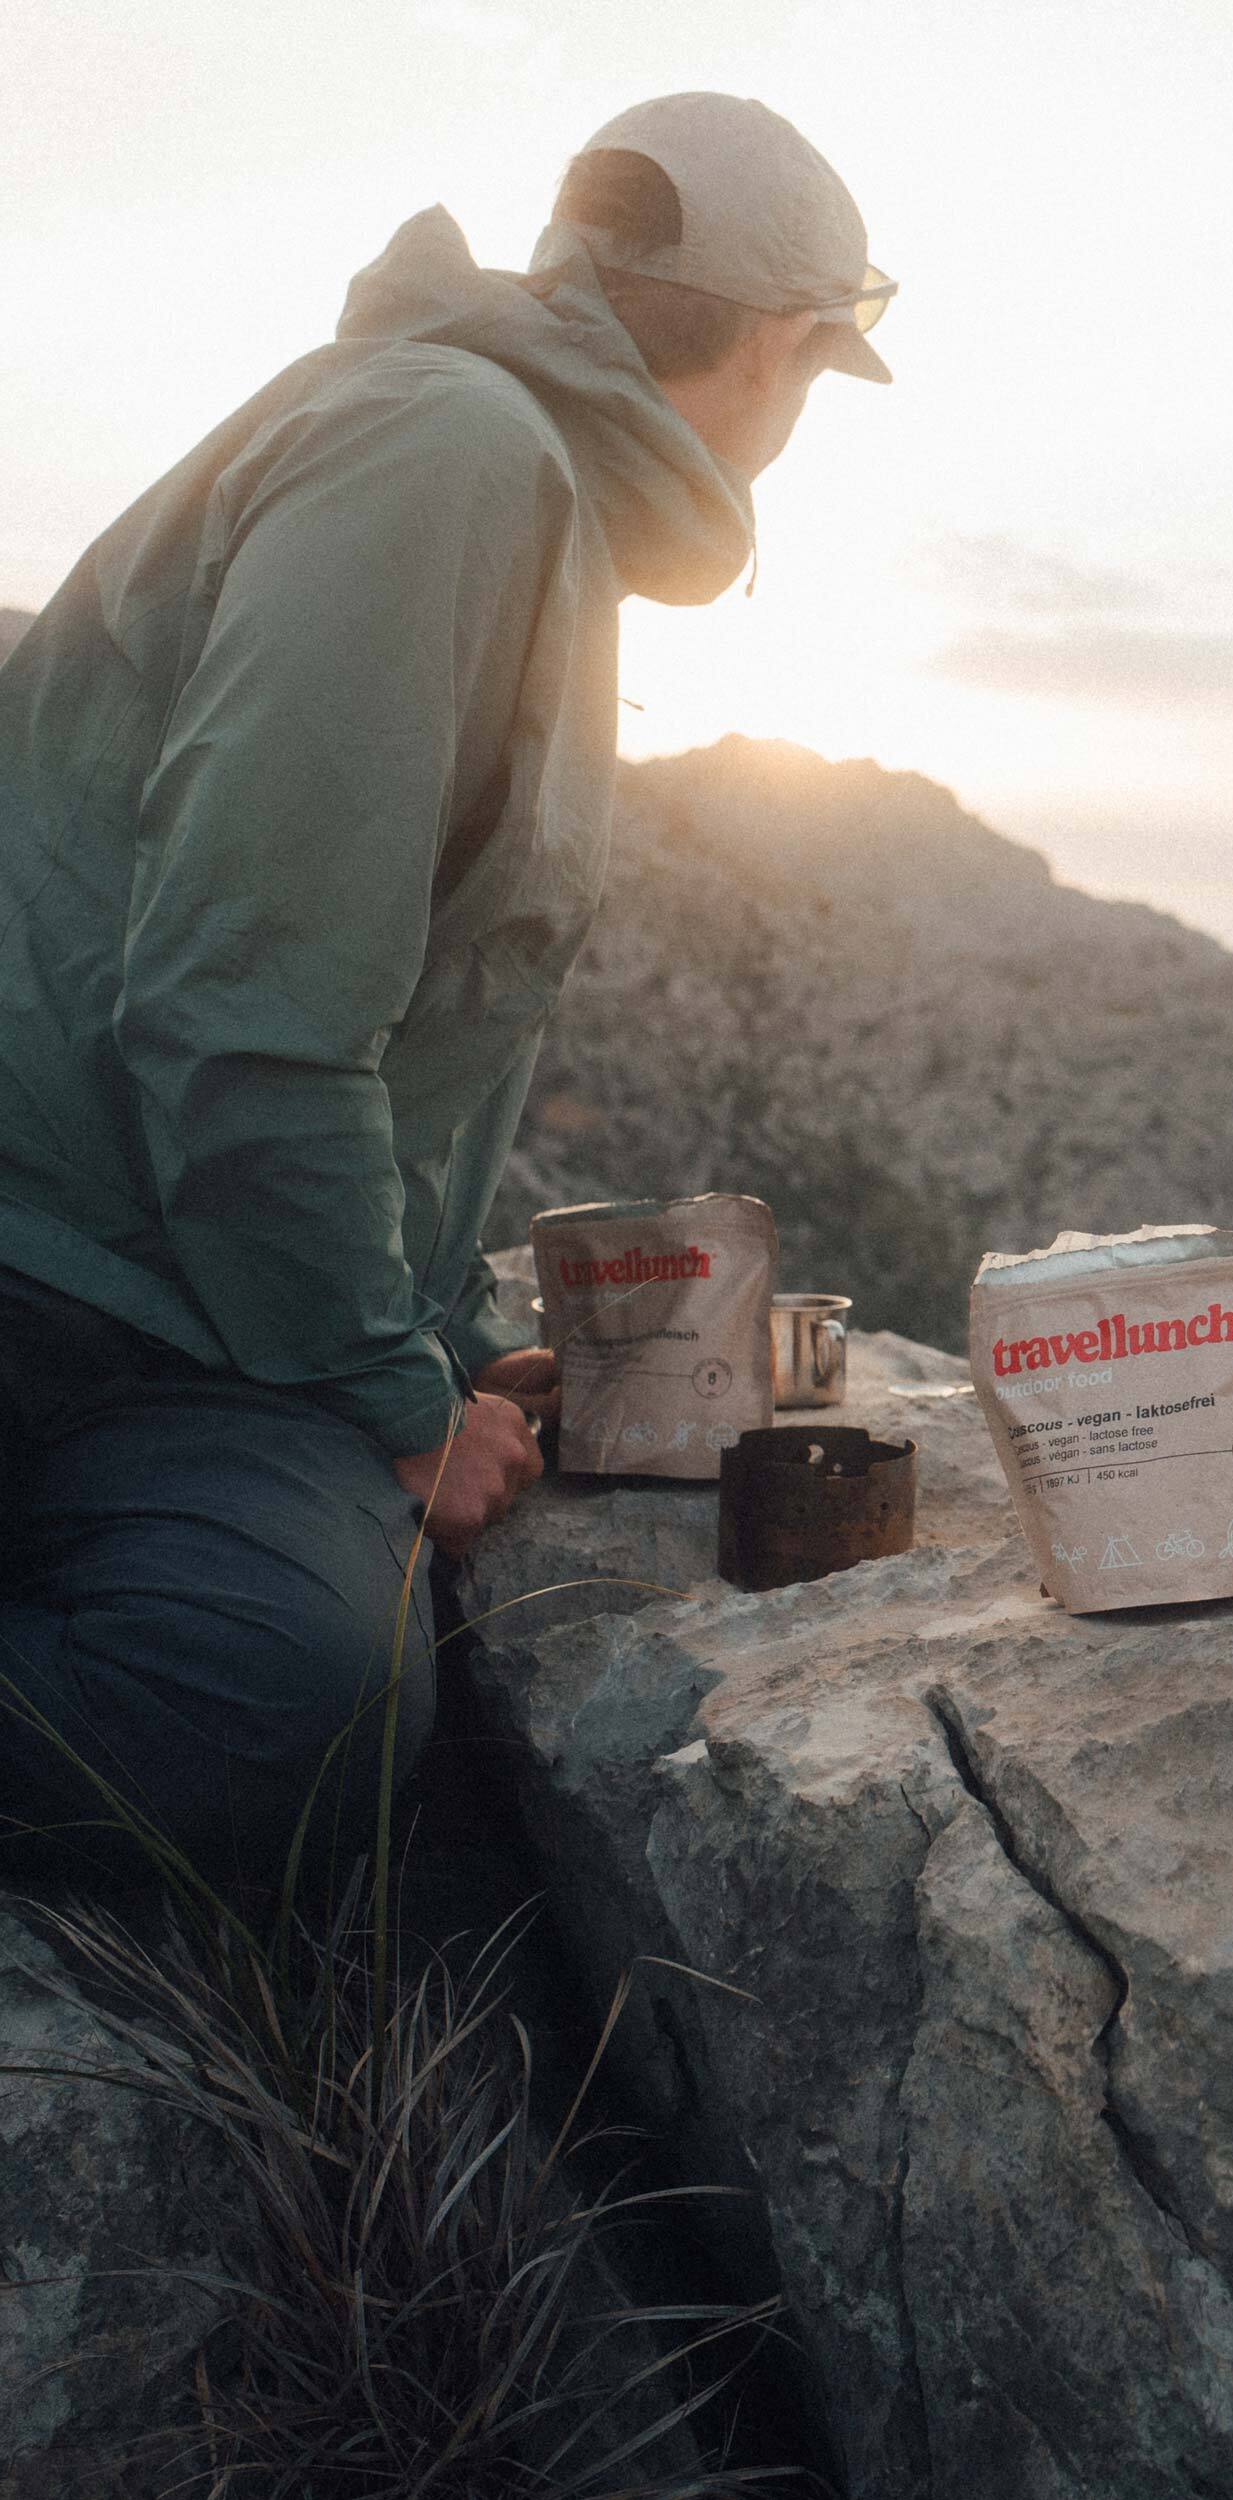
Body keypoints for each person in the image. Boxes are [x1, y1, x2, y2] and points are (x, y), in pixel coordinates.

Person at [0, 94, 896, 1884]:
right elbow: (240, 998)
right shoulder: (448, 454)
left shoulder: (519, 482)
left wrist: (442, 1336)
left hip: (185, 1317)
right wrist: (397, 1406)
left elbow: (386, 1027)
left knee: (309, 1679)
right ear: (787, 352)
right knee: (263, 1701)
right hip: (53, 1262)